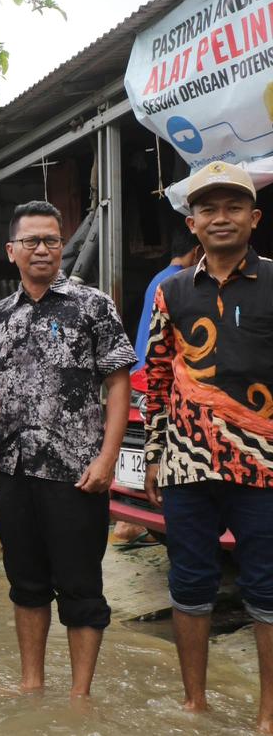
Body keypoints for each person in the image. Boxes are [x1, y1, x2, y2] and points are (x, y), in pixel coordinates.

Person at [0, 200, 135, 697]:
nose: (41, 249)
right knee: (26, 584)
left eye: (51, 240)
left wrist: (108, 458)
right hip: (16, 472)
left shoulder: (93, 306)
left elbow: (118, 382)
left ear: (61, 246)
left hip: (77, 474)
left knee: (82, 587)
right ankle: (31, 685)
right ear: (12, 250)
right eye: (31, 241)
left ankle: (80, 697)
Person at [142, 161, 273, 733]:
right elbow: (156, 378)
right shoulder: (170, 291)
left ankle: (269, 712)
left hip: (264, 465)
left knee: (266, 586)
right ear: (192, 223)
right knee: (190, 582)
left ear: (254, 217)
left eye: (233, 207)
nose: (221, 218)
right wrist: (153, 453)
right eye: (208, 209)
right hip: (186, 464)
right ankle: (194, 703)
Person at [132, 227, 200, 372]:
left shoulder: (158, 278)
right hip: (156, 374)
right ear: (197, 252)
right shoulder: (180, 282)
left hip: (142, 370)